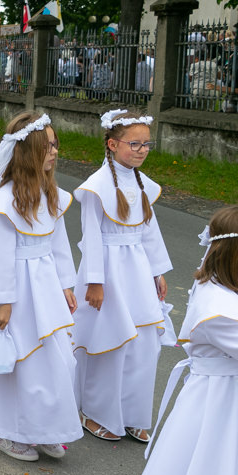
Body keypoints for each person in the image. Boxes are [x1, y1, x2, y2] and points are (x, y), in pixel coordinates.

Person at [0, 112, 81, 462]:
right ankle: (6, 431)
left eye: (55, 144)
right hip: (16, 292)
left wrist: (67, 285)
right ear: (27, 152)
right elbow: (1, 257)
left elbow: (59, 243)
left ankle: (43, 427)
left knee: (53, 358)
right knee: (19, 360)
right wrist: (3, 302)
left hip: (45, 287)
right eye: (46, 146)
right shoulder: (3, 203)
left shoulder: (51, 194)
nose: (54, 151)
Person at [126, 205, 238, 475]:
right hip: (216, 403)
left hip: (229, 396)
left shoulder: (228, 288)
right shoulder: (218, 309)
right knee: (207, 469)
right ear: (232, 255)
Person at [71, 110, 172, 443]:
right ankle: (96, 412)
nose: (142, 150)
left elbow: (149, 231)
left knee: (143, 343)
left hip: (138, 271)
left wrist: (157, 271)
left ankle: (133, 413)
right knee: (110, 341)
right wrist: (96, 282)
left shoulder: (142, 184)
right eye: (134, 143)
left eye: (147, 144)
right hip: (109, 273)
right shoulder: (97, 187)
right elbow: (93, 236)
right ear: (113, 144)